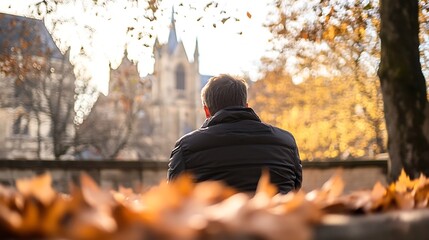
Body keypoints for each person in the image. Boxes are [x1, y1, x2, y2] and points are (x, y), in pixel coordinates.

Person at [168, 74, 302, 194]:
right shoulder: (287, 141)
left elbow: (174, 199)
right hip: (279, 220)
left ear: (206, 111)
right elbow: (295, 190)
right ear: (246, 105)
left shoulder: (186, 147)